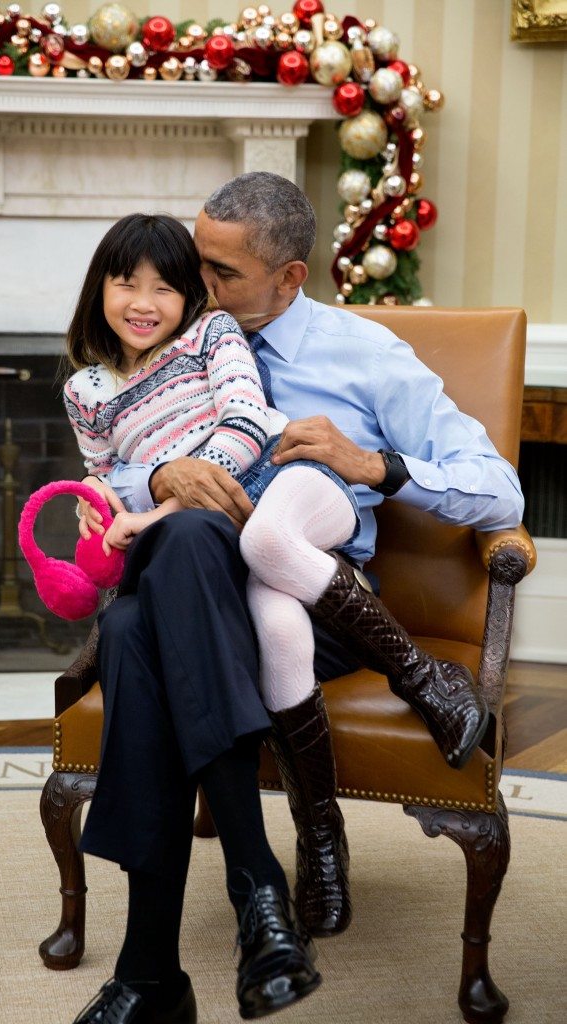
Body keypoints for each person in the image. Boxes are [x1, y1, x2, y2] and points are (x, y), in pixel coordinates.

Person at [69, 174, 524, 1023]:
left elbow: (498, 490)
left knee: (141, 627)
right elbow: (109, 469)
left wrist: (374, 466)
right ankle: (253, 902)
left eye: (218, 273)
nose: (188, 286)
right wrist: (160, 473)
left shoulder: (366, 356)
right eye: (189, 264)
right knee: (166, 581)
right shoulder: (158, 354)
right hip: (199, 590)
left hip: (311, 605)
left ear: (289, 278)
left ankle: (149, 975)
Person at [64, 211, 367, 1023]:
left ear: (192, 297)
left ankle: (148, 972)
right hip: (164, 579)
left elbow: (243, 430)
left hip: (233, 555)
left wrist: (164, 489)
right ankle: (255, 892)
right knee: (130, 623)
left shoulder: (213, 339)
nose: (142, 300)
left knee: (183, 549)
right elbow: (102, 489)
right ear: (100, 285)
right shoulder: (86, 391)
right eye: (126, 280)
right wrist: (112, 510)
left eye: (165, 285)